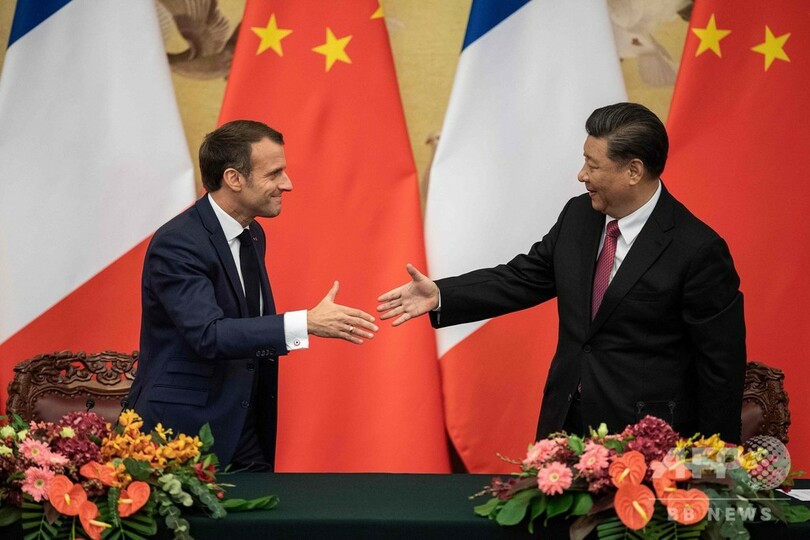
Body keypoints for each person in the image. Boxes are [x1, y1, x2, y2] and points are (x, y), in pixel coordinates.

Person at [378, 102, 746, 443]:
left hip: (644, 437)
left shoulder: (697, 250)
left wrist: (714, 465)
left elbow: (720, 367)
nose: (582, 174)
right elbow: (524, 277)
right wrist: (442, 294)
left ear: (633, 171)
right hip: (564, 422)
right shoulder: (579, 216)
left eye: (593, 165)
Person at [128, 120, 378, 470]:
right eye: (274, 173)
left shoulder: (253, 235)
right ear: (234, 178)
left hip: (243, 423)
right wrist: (305, 323)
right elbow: (209, 334)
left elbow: (247, 325)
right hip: (182, 432)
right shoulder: (179, 243)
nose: (287, 184)